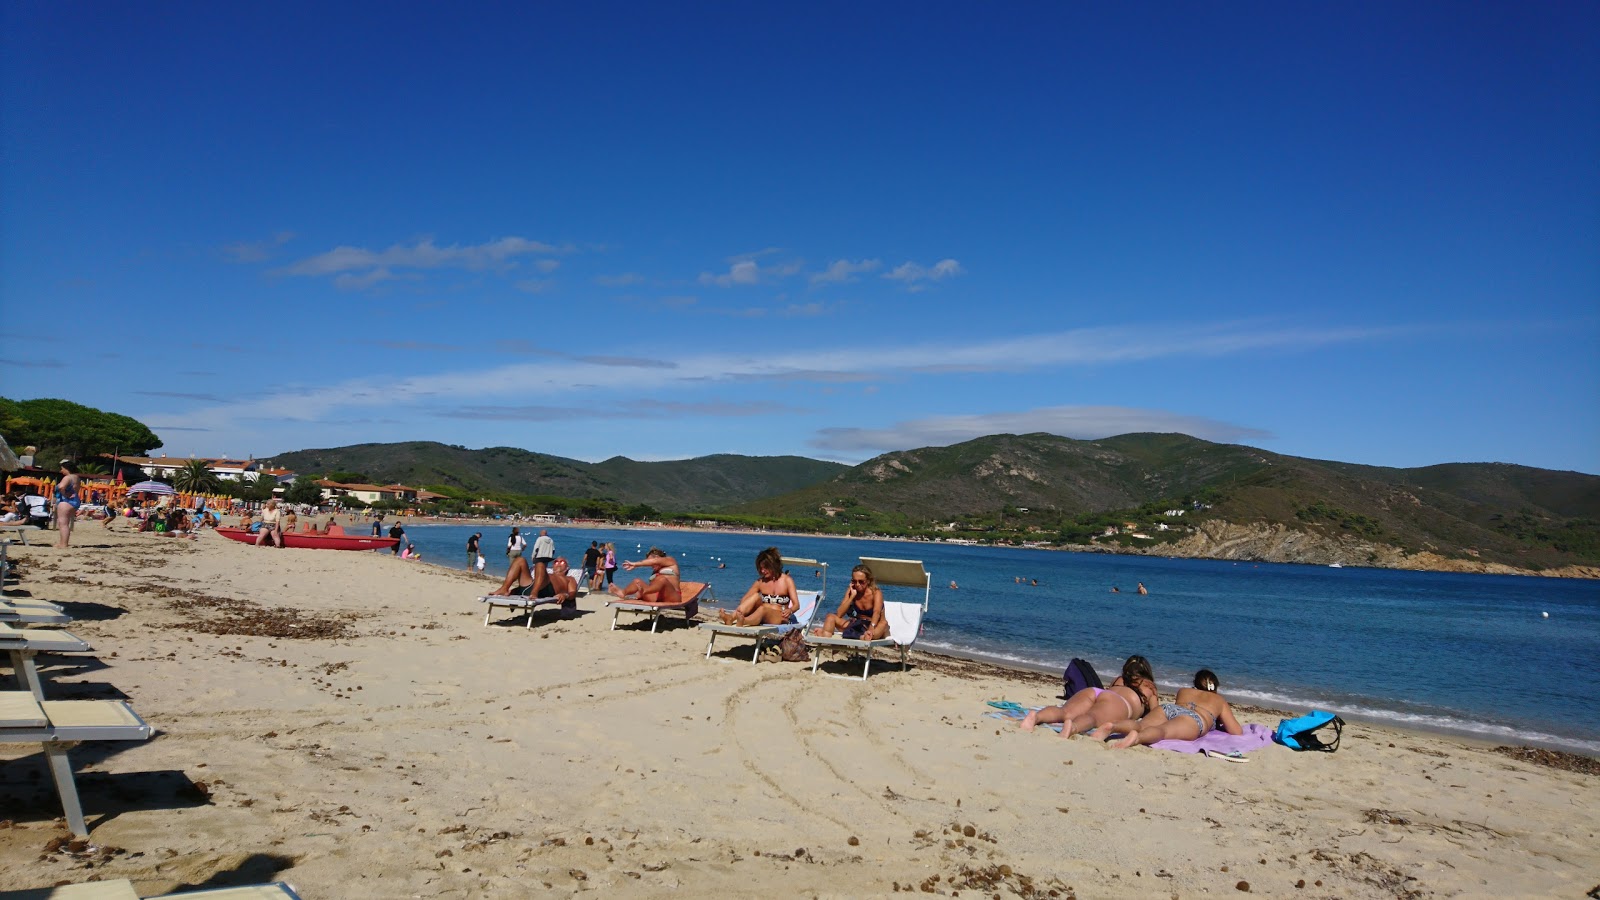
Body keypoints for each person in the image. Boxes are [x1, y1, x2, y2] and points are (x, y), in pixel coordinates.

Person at [1019, 655, 1160, 739]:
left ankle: (1035, 717)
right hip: (1118, 702)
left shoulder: (1118, 679)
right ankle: (1072, 728)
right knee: (1093, 717)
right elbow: (1156, 715)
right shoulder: (1149, 687)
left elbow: (1109, 692)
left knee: (1064, 711)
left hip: (1095, 691)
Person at [1110, 669, 1243, 748]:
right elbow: (1236, 731)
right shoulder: (1219, 700)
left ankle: (1113, 726)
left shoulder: (1184, 691)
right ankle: (1138, 738)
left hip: (1169, 708)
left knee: (1140, 724)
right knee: (1162, 731)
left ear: (1195, 683)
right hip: (1193, 718)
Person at [719, 547, 800, 626]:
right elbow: (744, 600)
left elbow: (796, 605)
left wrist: (790, 610)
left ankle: (744, 621)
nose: (762, 571)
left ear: (773, 565)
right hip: (761, 615)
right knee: (755, 597)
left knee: (762, 609)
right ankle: (731, 618)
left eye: (765, 568)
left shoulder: (787, 580)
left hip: (780, 617)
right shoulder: (760, 582)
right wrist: (751, 606)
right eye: (760, 568)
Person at [812, 563, 887, 640]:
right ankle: (826, 637)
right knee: (830, 617)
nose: (857, 584)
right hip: (858, 625)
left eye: (861, 582)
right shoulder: (852, 591)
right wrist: (851, 597)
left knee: (882, 625)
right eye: (854, 581)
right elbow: (839, 614)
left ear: (868, 581)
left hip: (875, 625)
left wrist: (871, 627)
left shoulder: (876, 592)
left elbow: (876, 612)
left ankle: (860, 636)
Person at [489, 555, 580, 604]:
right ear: (552, 566)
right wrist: (514, 591)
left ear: (567, 567)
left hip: (546, 589)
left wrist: (565, 595)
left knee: (540, 564)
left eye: (562, 562)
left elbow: (573, 592)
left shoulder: (569, 578)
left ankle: (535, 592)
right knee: (520, 560)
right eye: (556, 562)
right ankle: (504, 588)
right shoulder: (547, 574)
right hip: (532, 585)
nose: (558, 563)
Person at [606, 548, 681, 605]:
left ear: (657, 557)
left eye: (650, 562)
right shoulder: (654, 572)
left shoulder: (671, 562)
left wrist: (635, 564)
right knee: (637, 581)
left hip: (672, 597)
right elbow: (654, 587)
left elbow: (654, 561)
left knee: (662, 579)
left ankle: (644, 591)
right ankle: (623, 592)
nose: (650, 565)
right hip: (656, 598)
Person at [54, 461, 81, 548]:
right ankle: (63, 543)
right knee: (66, 523)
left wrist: (64, 494)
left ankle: (63, 544)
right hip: (75, 500)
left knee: (63, 523)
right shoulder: (77, 478)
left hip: (66, 501)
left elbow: (62, 486)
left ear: (67, 469)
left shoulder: (67, 478)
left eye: (62, 469)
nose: (61, 471)